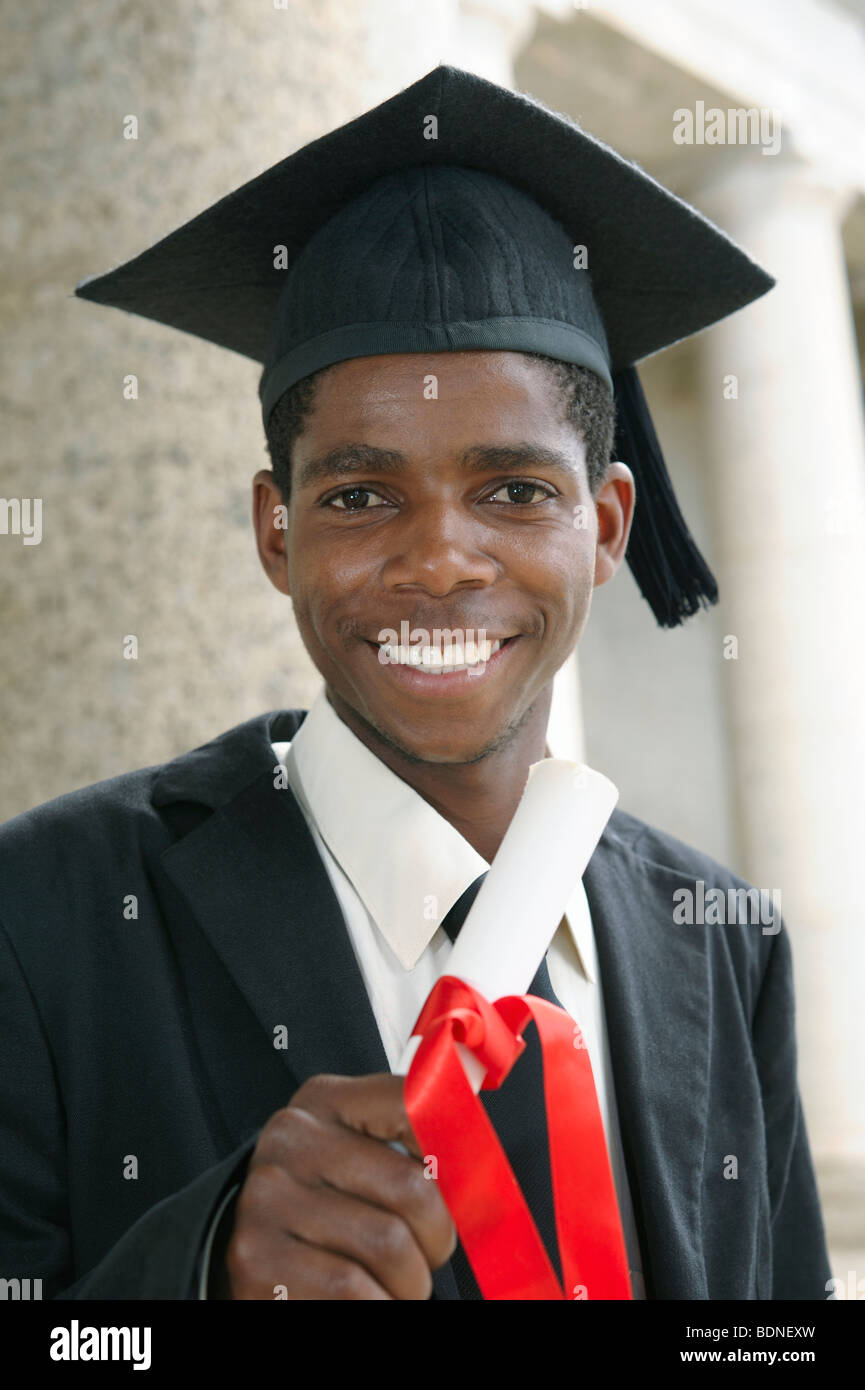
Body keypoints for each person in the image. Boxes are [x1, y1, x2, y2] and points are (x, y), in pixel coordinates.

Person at [0, 65, 831, 1301]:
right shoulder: (48, 918)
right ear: (276, 533)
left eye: (513, 490)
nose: (440, 558)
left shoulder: (718, 942)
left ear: (605, 527)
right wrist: (189, 1282)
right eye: (359, 494)